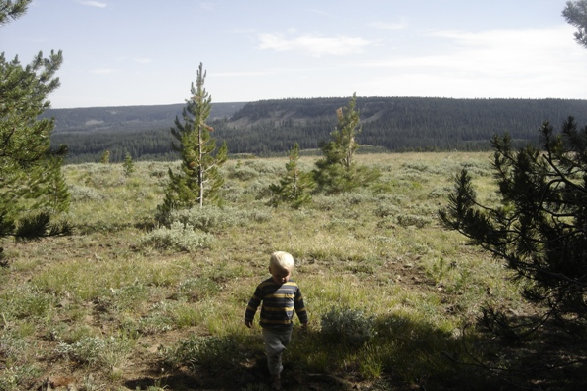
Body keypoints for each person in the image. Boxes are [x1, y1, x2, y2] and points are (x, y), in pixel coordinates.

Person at [245, 251, 308, 390]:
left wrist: (304, 319)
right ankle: (276, 376)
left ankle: (275, 360)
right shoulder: (264, 287)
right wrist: (248, 316)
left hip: (287, 327)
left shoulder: (293, 287)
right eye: (278, 276)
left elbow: (299, 304)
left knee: (284, 344)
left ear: (291, 272)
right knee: (275, 351)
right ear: (270, 270)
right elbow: (254, 302)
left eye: (286, 275)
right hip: (269, 327)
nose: (282, 279)